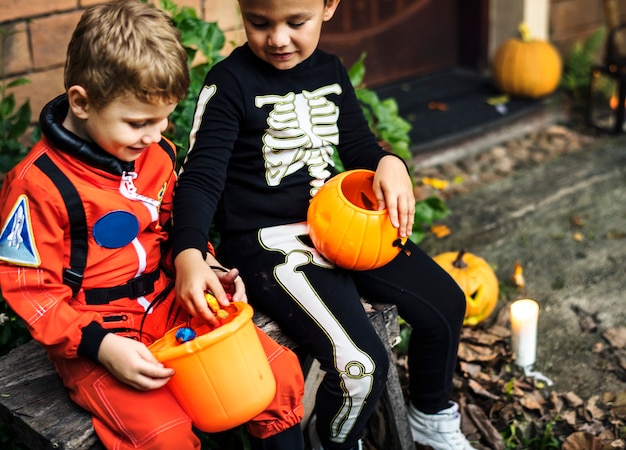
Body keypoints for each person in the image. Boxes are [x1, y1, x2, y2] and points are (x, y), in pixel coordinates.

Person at [0, 1, 305, 449]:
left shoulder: (152, 153)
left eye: (163, 117)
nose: (155, 133)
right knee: (165, 436)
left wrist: (203, 265)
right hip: (94, 331)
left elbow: (172, 226)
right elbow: (31, 290)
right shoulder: (38, 186)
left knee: (276, 376)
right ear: (82, 103)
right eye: (138, 122)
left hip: (168, 301)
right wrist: (103, 348)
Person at [172, 0, 475, 449]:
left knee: (446, 303)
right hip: (268, 244)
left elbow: (357, 147)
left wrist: (388, 161)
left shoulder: (330, 71)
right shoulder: (230, 83)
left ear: (329, 6)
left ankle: (430, 415)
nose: (277, 38)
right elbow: (201, 176)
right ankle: (333, 441)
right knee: (360, 366)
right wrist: (189, 253)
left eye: (296, 22)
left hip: (340, 225)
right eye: (259, 23)